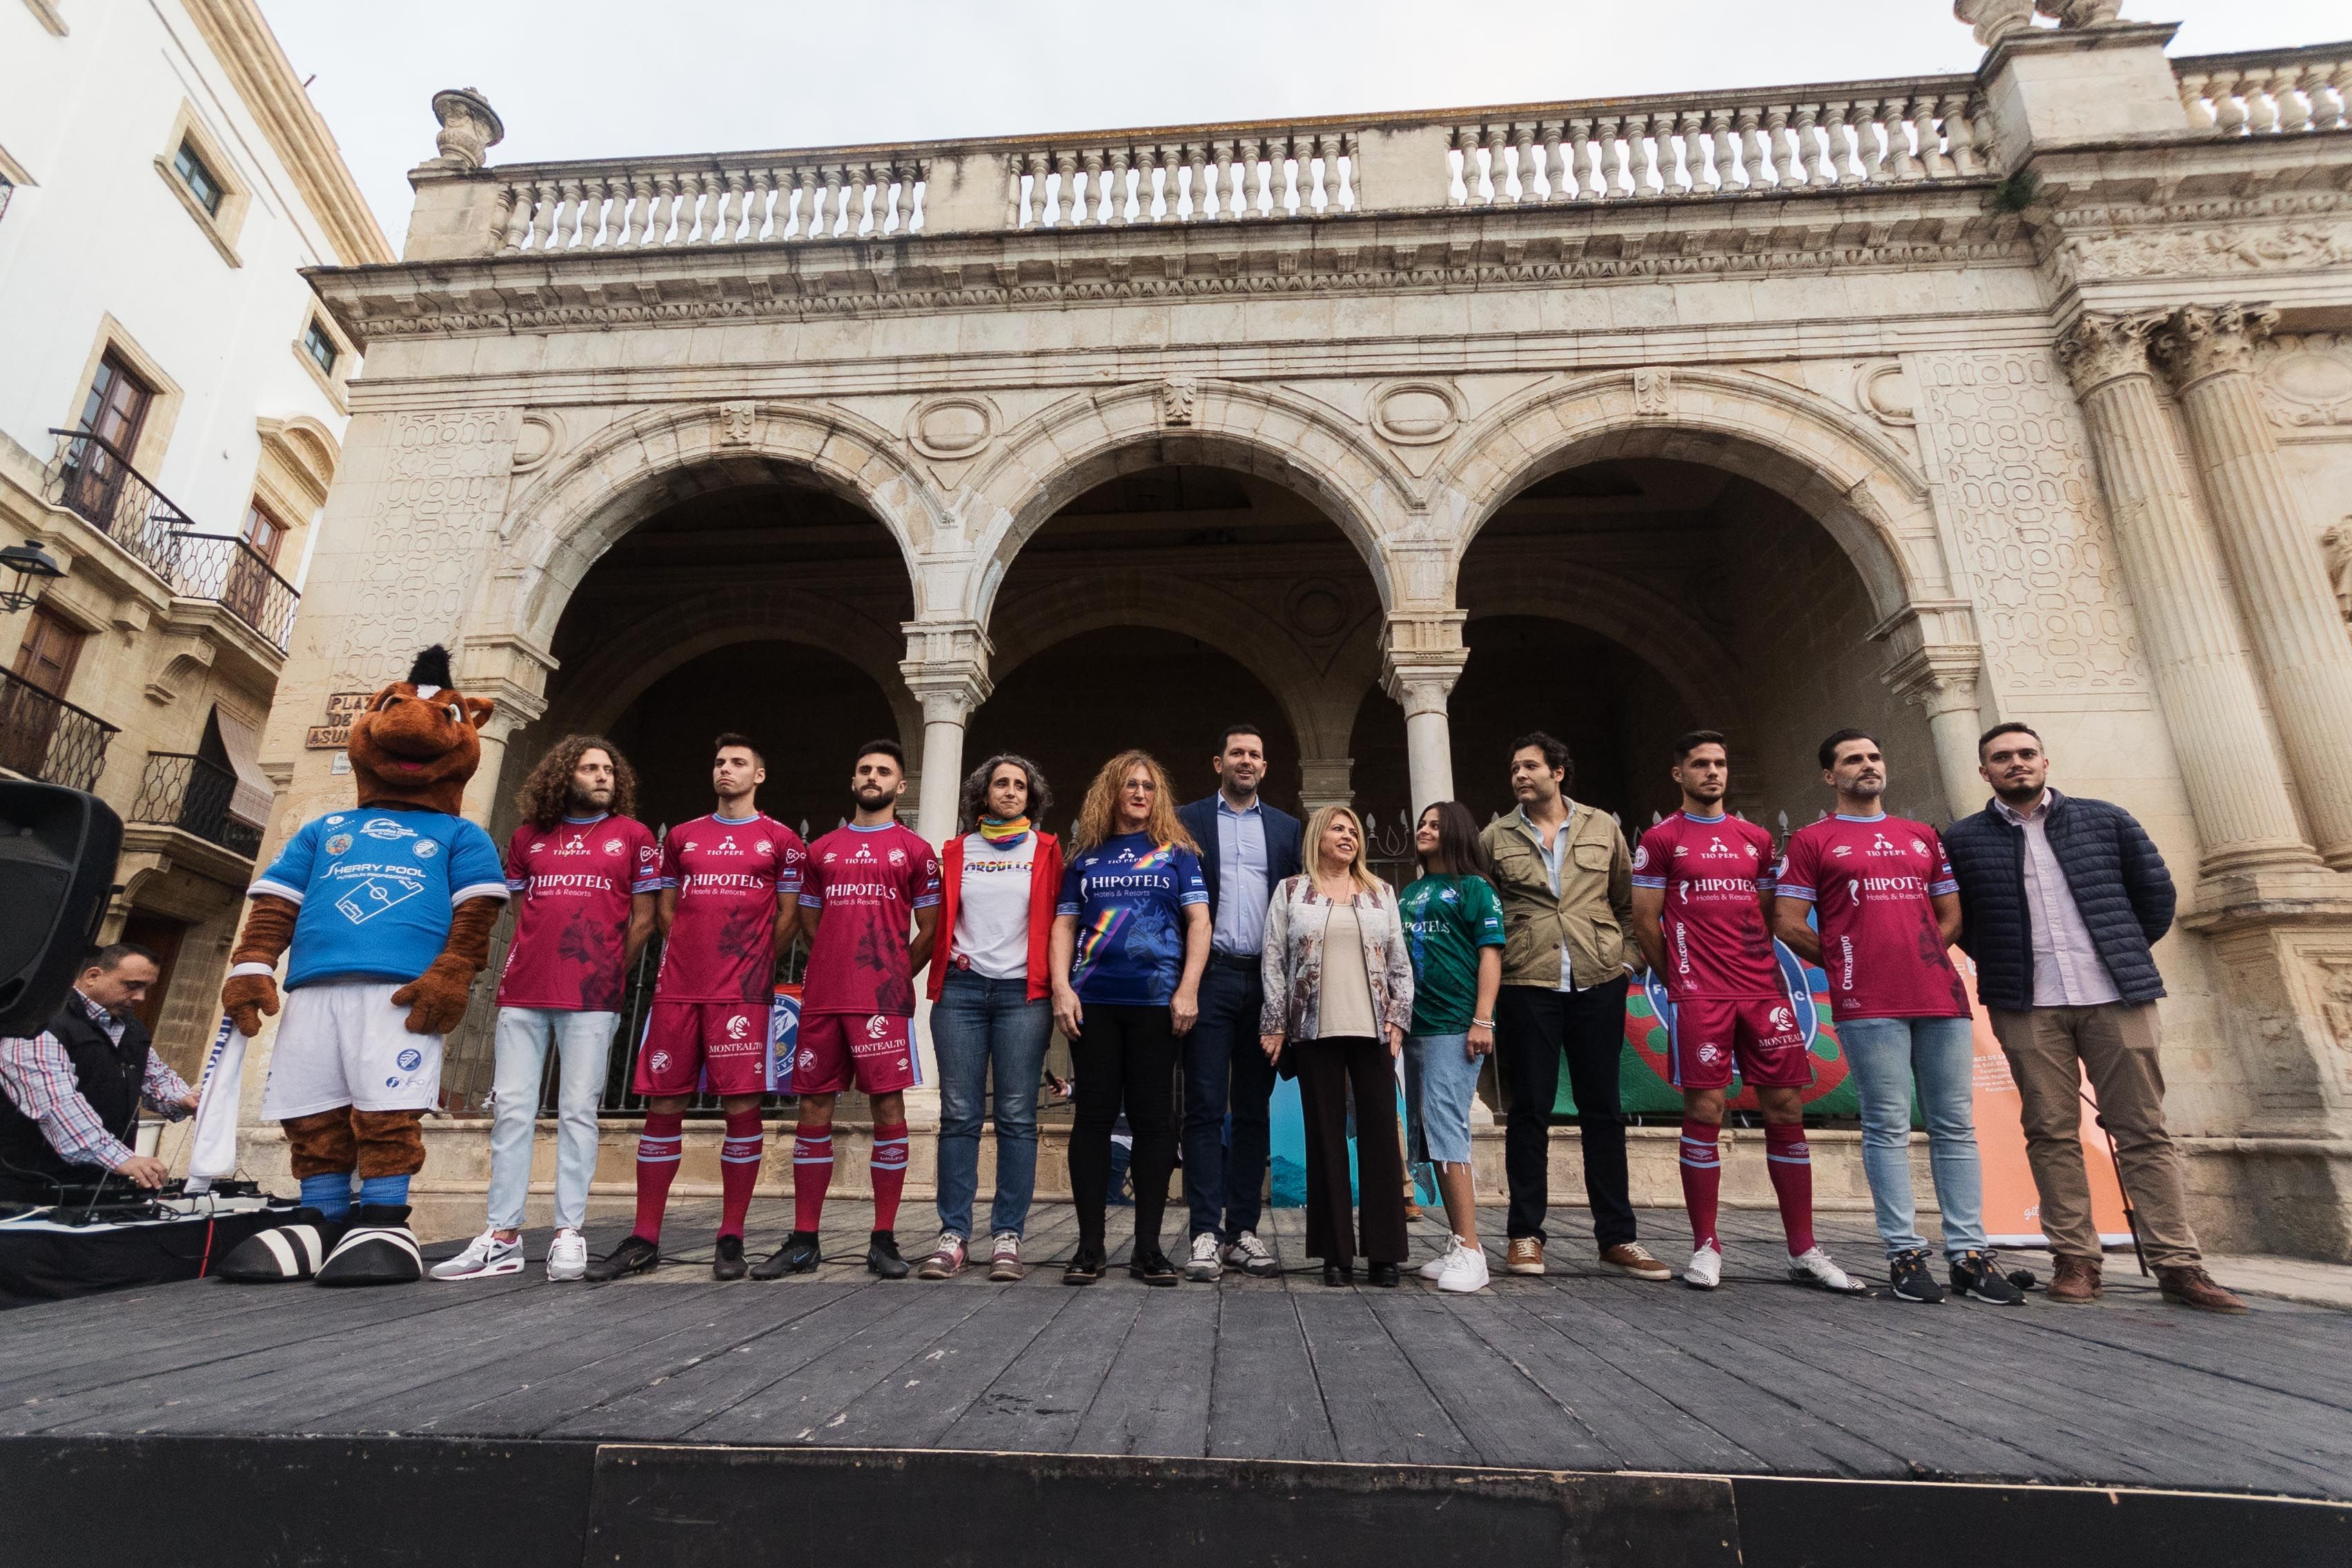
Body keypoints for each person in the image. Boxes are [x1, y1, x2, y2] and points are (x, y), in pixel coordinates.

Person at [1942, 723, 2246, 1313]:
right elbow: (1964, 920)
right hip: (2028, 1004)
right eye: (2002, 758)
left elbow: (2155, 896)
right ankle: (2076, 1260)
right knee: (2050, 1132)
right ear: (1985, 773)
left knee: (2144, 1130)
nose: (2017, 764)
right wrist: (2006, 962)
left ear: (2046, 761)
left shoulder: (2107, 819)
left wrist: (2120, 950)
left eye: (2026, 754)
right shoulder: (1964, 839)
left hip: (2117, 996)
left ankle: (2178, 1264)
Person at [1772, 730, 2022, 1306]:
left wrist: (1923, 958)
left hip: (1941, 998)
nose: (1868, 766)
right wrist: (1846, 964)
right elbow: (1787, 921)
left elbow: (1950, 916)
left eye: (1875, 756)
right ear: (1830, 777)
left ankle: (1969, 1255)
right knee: (1886, 1125)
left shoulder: (1921, 836)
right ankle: (1904, 1253)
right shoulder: (1812, 841)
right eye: (1853, 760)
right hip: (1867, 1002)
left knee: (1954, 1125)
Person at [1631, 731, 1865, 1295]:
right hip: (1700, 995)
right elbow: (1645, 922)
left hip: (1764, 991)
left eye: (1720, 764)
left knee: (1786, 1108)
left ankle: (1804, 1249)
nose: (1713, 773)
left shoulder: (1757, 838)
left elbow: (1768, 916)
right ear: (1678, 775)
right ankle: (1706, 1246)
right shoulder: (1662, 840)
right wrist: (1682, 982)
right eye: (1700, 765)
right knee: (1706, 1110)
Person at [433, 737, 660, 1284]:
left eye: (608, 769)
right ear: (565, 776)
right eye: (590, 768)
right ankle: (502, 1236)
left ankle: (568, 1234)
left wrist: (609, 971)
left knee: (578, 1111)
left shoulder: (634, 837)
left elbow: (645, 920)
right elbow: (522, 908)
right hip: (525, 991)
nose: (602, 776)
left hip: (591, 996)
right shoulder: (527, 838)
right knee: (512, 1109)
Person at [587, 734, 806, 1282]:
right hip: (678, 992)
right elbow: (665, 911)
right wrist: (690, 957)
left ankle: (730, 1238)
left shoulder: (781, 840)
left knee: (742, 1112)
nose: (724, 770)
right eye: (719, 763)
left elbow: (790, 916)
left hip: (742, 995)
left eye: (737, 763)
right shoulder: (682, 837)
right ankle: (644, 1238)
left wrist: (751, 961)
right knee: (663, 1110)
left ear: (760, 775)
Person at [1477, 732, 1669, 1282]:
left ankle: (1618, 1237)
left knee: (1602, 1110)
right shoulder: (1496, 836)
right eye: (1515, 768)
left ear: (1559, 773)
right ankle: (1524, 1234)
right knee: (1530, 1109)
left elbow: (1628, 900)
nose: (1520, 775)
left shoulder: (1601, 827)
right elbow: (1486, 911)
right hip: (1526, 982)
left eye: (1531, 766)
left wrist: (1628, 962)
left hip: (1597, 980)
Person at [752, 740, 941, 1282]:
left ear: (900, 786)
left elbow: (930, 930)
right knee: (814, 1110)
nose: (872, 777)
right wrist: (838, 965)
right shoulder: (823, 850)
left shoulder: (916, 850)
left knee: (889, 1111)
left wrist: (889, 975)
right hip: (824, 998)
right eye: (864, 770)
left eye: (883, 771)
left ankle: (883, 1239)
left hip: (882, 1002)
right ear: (853, 780)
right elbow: (808, 922)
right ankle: (805, 1239)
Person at [1051, 751, 1209, 1286]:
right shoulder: (1085, 858)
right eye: (1130, 785)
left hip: (1157, 1006)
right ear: (1112, 793)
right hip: (1093, 1002)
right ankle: (1090, 1248)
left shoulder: (1177, 854)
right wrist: (1061, 990)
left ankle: (1147, 1249)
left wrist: (1188, 989)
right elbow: (1063, 928)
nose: (1140, 793)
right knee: (1093, 1119)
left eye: (1148, 786)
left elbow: (1199, 925)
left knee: (1153, 1121)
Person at [917, 754, 1061, 1282]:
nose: (1009, 791)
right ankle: (953, 1236)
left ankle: (1008, 1237)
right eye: (1000, 783)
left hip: (1023, 994)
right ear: (983, 794)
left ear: (1031, 796)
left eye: (1019, 785)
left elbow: (1061, 923)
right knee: (958, 1114)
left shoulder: (1045, 850)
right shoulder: (956, 851)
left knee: (1018, 1116)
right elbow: (934, 920)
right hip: (960, 991)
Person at [1262, 805, 1415, 1286]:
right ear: (1317, 837)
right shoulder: (1291, 892)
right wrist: (1274, 1023)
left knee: (1380, 1141)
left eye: (1353, 830)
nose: (1348, 836)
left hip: (1373, 1032)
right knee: (1325, 1140)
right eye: (1338, 828)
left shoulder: (1380, 892)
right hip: (1313, 1031)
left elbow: (1399, 962)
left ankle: (1385, 1253)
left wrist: (1398, 1019)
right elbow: (1273, 959)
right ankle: (1335, 1254)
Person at [1172, 723, 1304, 1282]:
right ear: (1217, 762)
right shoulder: (1187, 822)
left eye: (1255, 754)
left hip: (1266, 984)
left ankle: (1243, 1231)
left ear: (1265, 767)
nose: (1246, 761)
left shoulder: (1287, 828)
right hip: (1209, 979)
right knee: (1203, 1108)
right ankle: (1204, 1231)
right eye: (1237, 753)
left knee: (1253, 1111)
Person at [1397, 802, 1505, 1293]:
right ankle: (1457, 1244)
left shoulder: (1476, 888)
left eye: (1435, 825)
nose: (1424, 830)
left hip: (1454, 1025)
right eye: (1422, 823)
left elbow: (1490, 955)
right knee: (1426, 1132)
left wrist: (1482, 1019)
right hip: (1412, 1027)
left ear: (1456, 833)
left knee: (1447, 1129)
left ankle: (1472, 1249)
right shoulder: (1412, 891)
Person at [0, 945, 195, 1202]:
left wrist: (185, 1099)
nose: (141, 997)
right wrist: (122, 1158)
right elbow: (58, 1105)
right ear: (93, 976)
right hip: (28, 1193)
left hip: (97, 1188)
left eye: (147, 988)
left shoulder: (130, 1028)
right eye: (132, 985)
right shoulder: (41, 1024)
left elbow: (155, 1077)